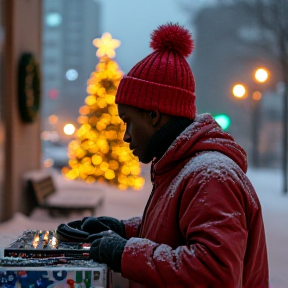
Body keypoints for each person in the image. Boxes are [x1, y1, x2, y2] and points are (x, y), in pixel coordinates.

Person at [64, 23, 269, 287]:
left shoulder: (210, 177)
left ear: (154, 115)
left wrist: (124, 252)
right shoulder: (182, 167)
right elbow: (176, 234)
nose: (126, 135)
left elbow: (215, 272)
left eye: (128, 121)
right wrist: (122, 230)